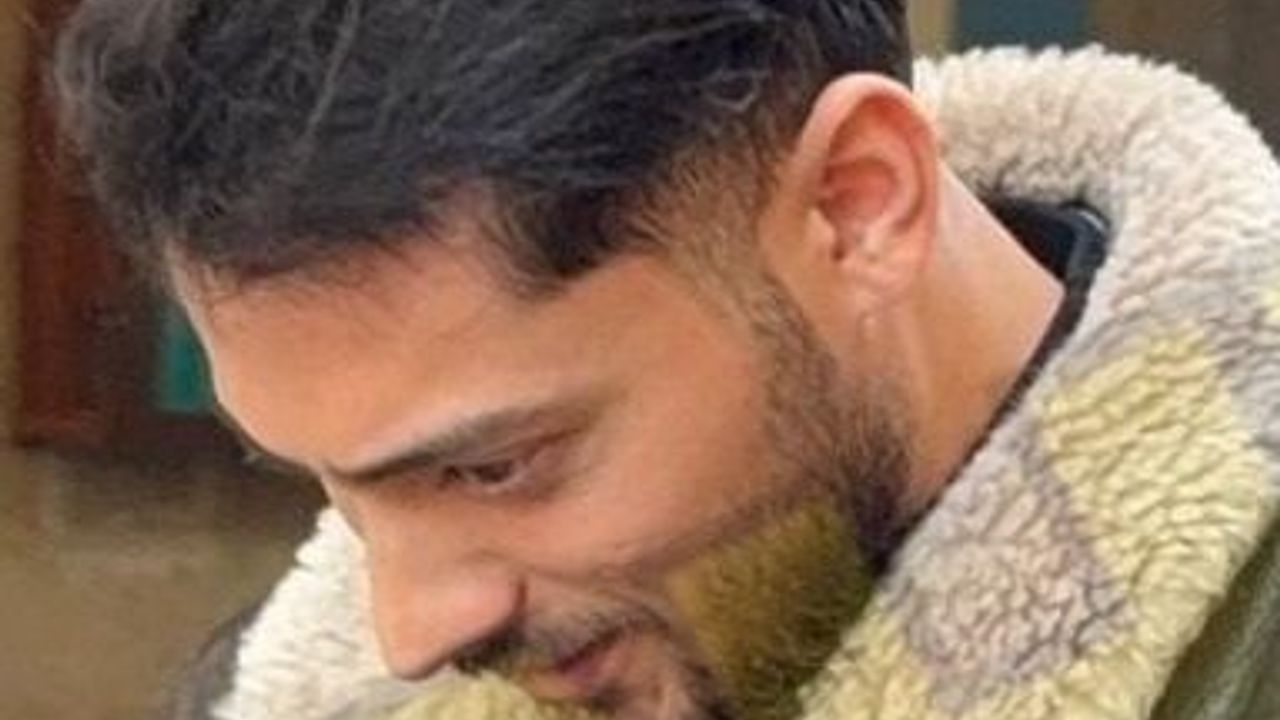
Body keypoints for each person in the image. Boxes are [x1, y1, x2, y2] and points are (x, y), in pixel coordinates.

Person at [53, 1, 1280, 719]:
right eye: (337, 491)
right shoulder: (307, 689)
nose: (409, 631)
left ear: (858, 207)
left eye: (493, 468)